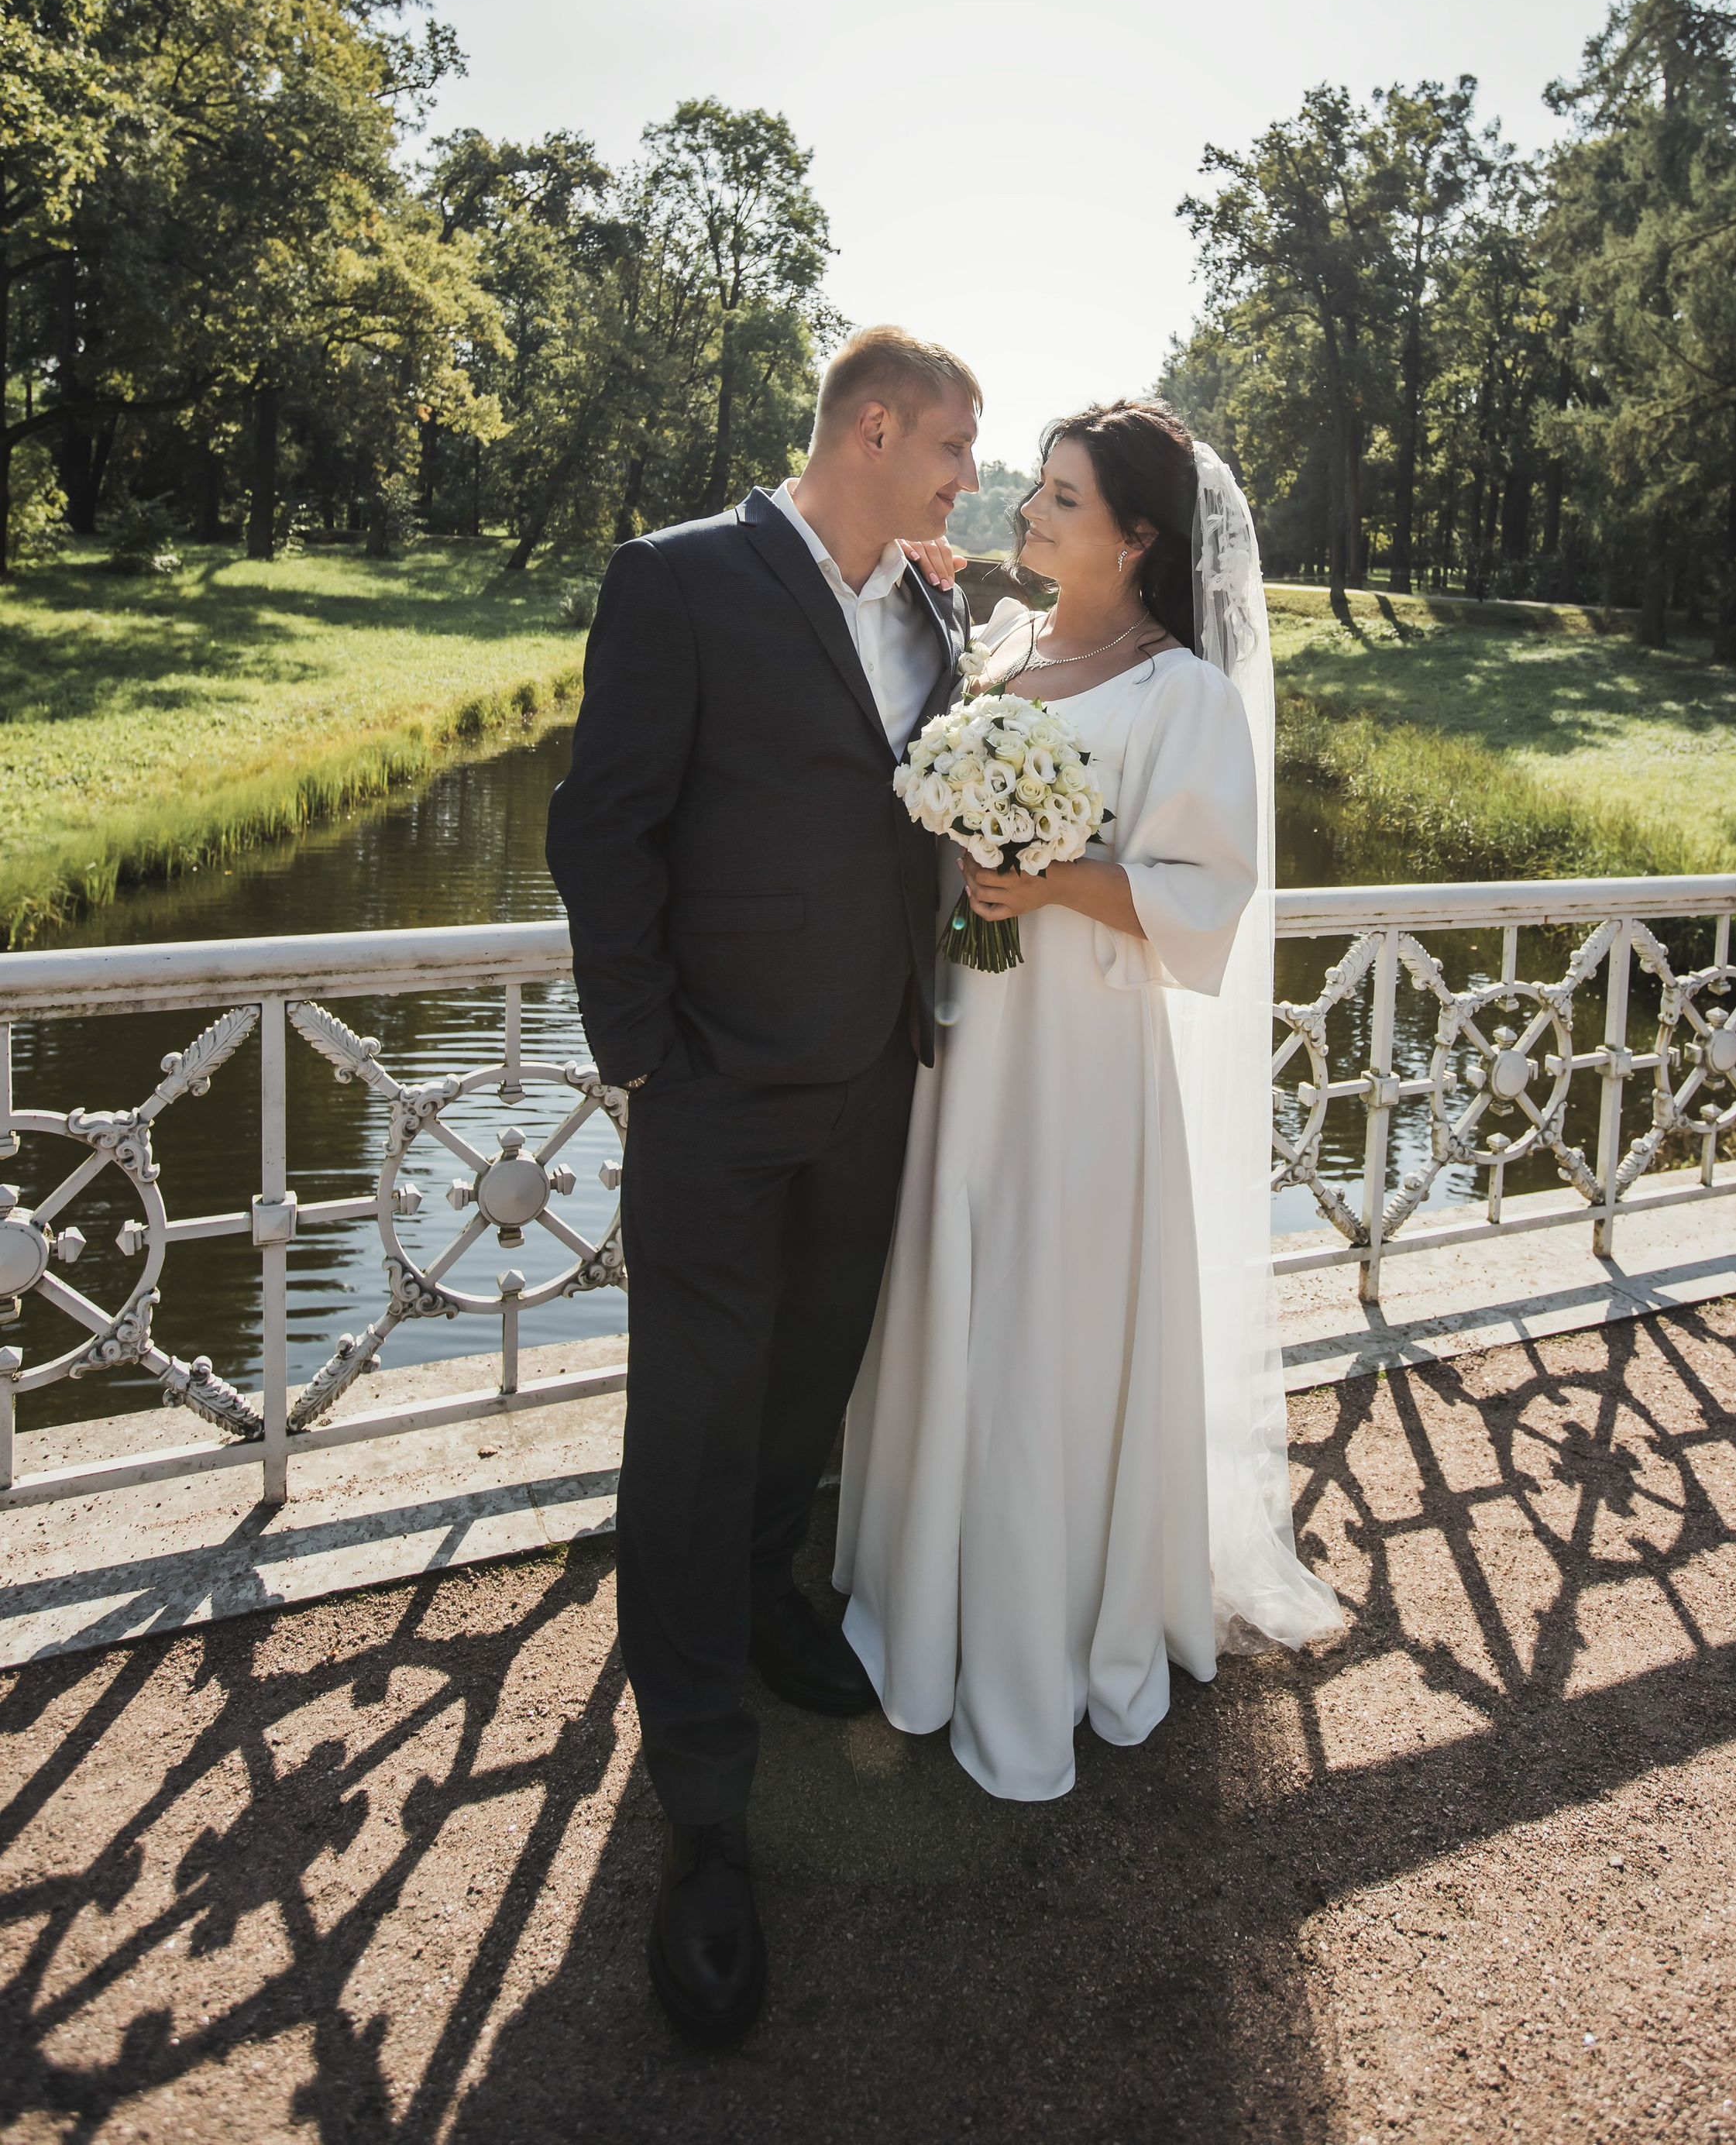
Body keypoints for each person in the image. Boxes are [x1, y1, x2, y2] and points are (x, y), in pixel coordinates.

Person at [545, 325, 979, 2043]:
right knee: (695, 1412)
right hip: (716, 1085)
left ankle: (762, 1595)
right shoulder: (679, 581)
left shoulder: (934, 609)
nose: (970, 474)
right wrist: (645, 1051)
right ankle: (703, 1804)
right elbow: (603, 827)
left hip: (877, 1069)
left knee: (809, 1379)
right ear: (871, 428)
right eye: (954, 443)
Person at [836, 398, 1343, 1803]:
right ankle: (921, 1598)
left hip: (1080, 1063)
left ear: (1137, 535)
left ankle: (1039, 1628)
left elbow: (1206, 897)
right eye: (1036, 491)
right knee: (956, 1282)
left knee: (1048, 1318)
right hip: (969, 1043)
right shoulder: (1001, 644)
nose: (1031, 514)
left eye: (1063, 500)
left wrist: (1053, 878)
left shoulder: (1177, 691)